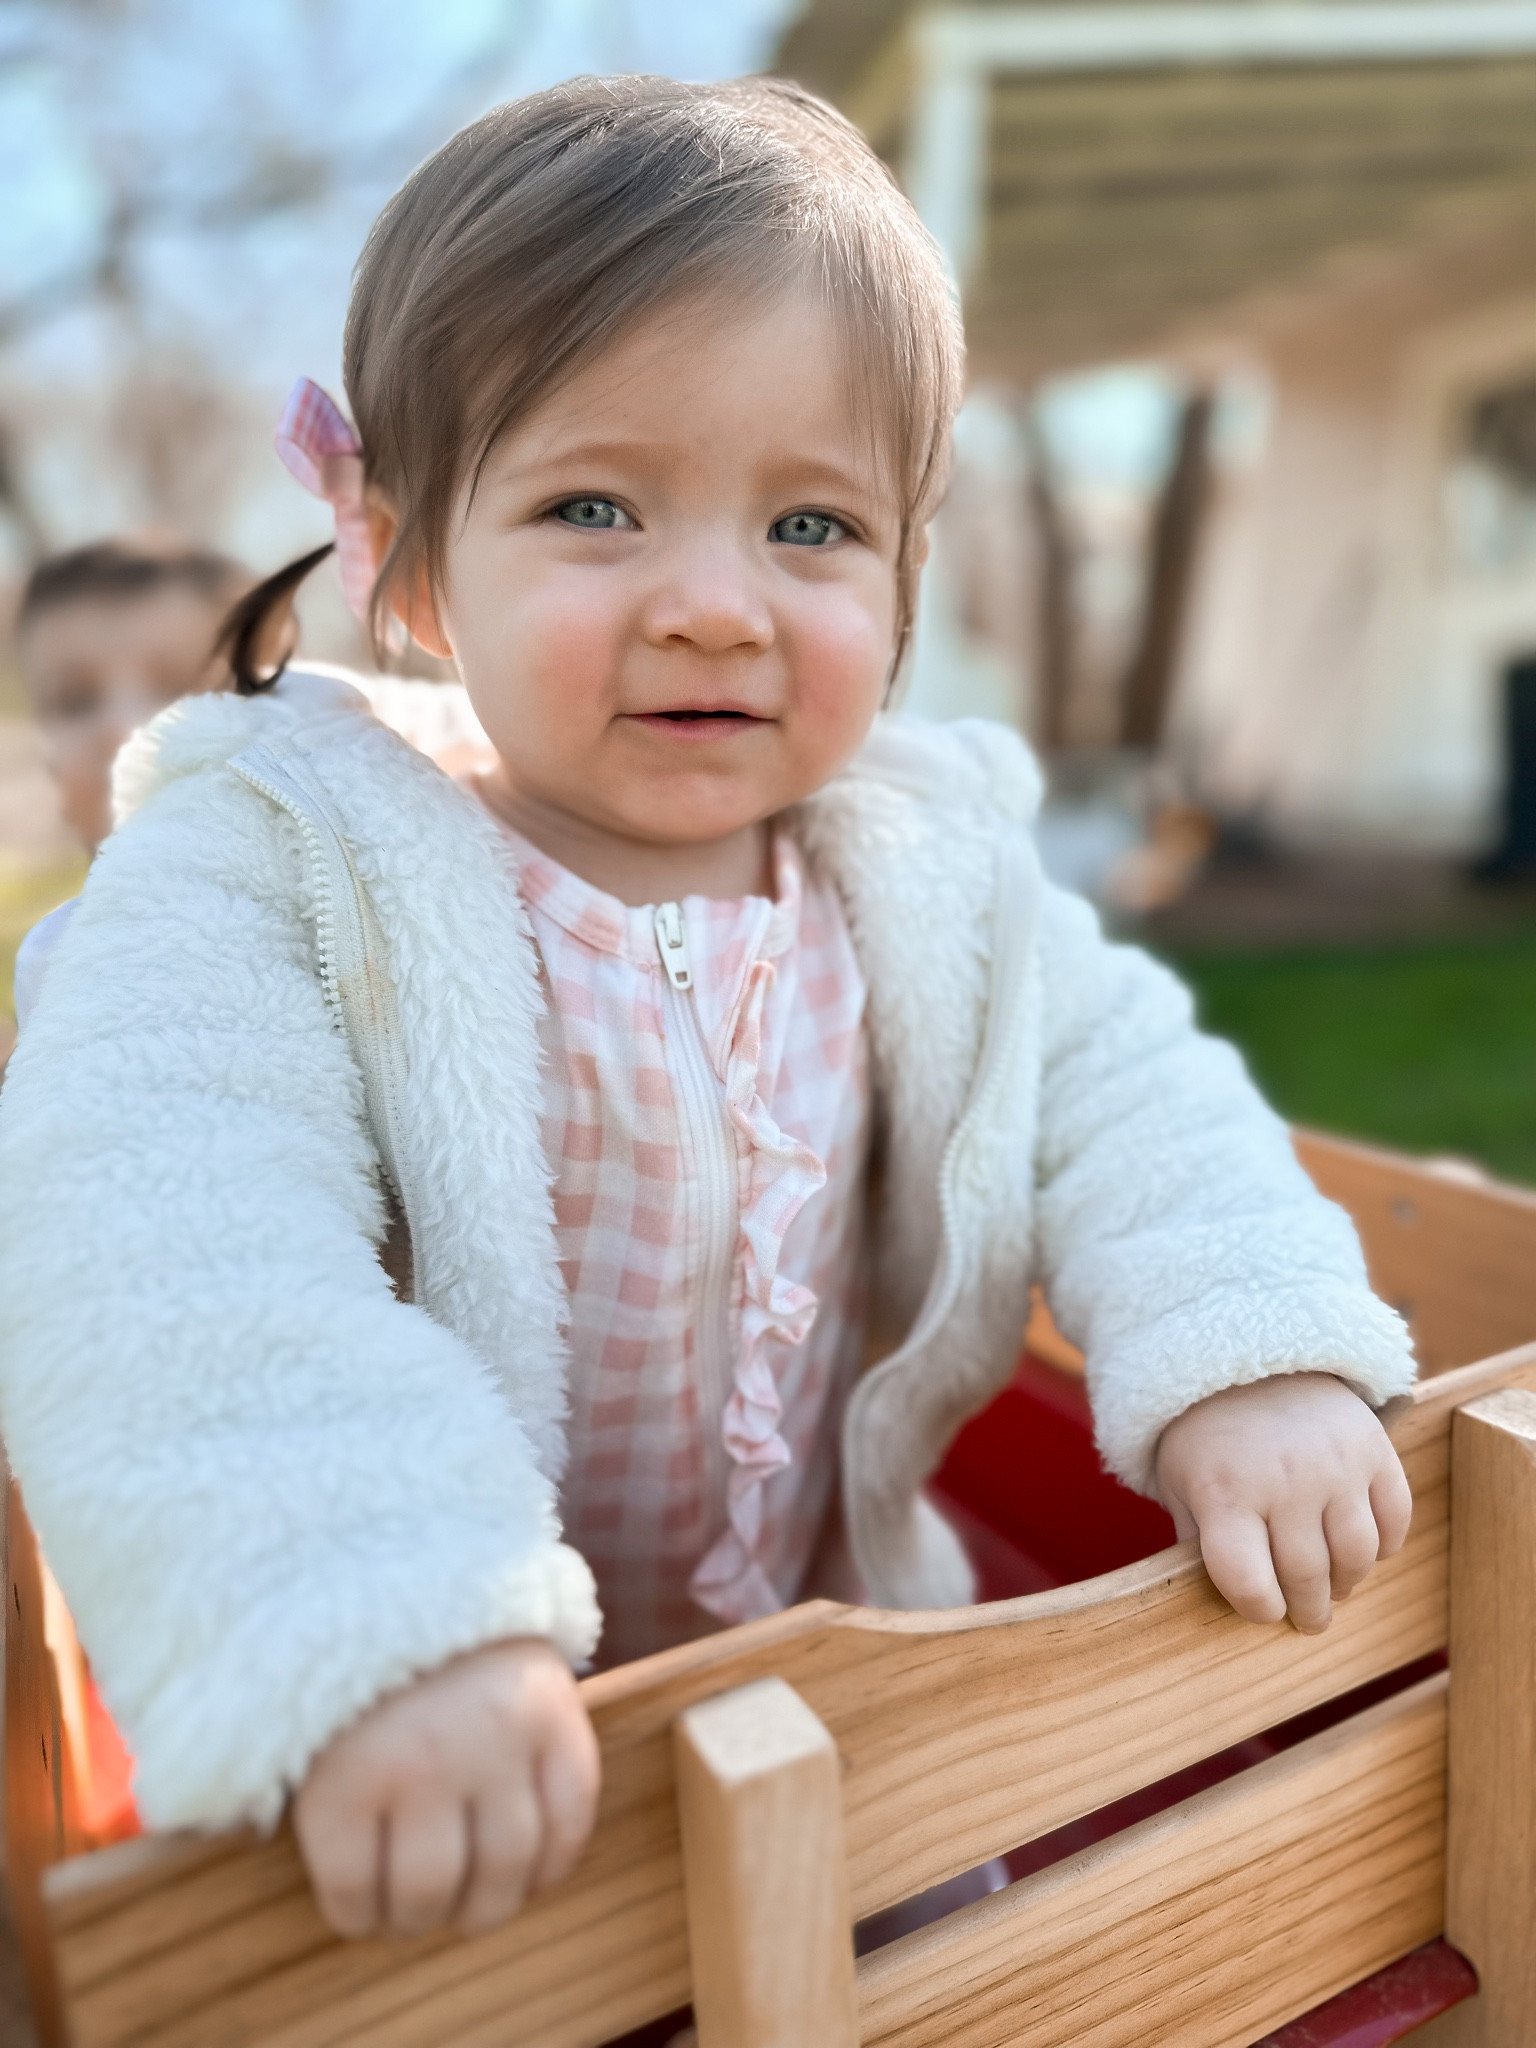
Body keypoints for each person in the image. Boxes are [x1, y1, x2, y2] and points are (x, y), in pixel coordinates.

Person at [0, 76, 1416, 1950]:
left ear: (908, 570)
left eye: (812, 527)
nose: (715, 607)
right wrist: (372, 1596)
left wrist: (1250, 1344)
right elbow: (167, 1228)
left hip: (849, 1669)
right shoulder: (276, 866)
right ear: (408, 561)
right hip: (446, 1733)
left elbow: (1127, 1090)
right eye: (596, 503)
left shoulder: (924, 864)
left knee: (994, 1965)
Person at [7, 538, 251, 1030]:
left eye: (180, 687)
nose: (121, 729)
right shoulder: (53, 963)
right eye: (75, 701)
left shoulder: (348, 910)